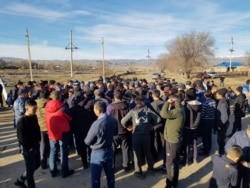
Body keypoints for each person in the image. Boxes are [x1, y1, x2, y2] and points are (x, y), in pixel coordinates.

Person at [121, 96, 161, 178]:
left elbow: (123, 121)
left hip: (136, 136)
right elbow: (158, 119)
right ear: (142, 102)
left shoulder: (132, 111)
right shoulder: (148, 110)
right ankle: (151, 168)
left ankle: (138, 171)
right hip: (146, 135)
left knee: (137, 154)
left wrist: (128, 126)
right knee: (148, 152)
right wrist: (152, 125)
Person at [85, 101, 118, 188]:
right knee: (110, 175)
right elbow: (115, 133)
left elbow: (87, 141)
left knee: (95, 178)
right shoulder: (113, 120)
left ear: (98, 111)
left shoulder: (96, 124)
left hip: (97, 152)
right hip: (109, 149)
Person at [45, 90, 74, 178]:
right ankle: (64, 171)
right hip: (63, 131)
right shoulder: (63, 107)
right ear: (59, 97)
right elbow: (69, 118)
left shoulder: (47, 106)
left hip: (51, 131)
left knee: (53, 151)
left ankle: (53, 171)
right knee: (63, 151)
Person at [160, 95, 185, 188]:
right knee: (175, 161)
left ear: (174, 102)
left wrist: (166, 103)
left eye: (171, 102)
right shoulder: (180, 109)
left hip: (172, 141)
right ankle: (174, 182)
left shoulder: (177, 111)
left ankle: (170, 184)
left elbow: (163, 114)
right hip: (174, 139)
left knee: (170, 163)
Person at [15, 99, 41, 188]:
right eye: (33, 109)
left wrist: (39, 139)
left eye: (36, 108)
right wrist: (28, 148)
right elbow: (20, 138)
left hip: (36, 145)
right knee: (30, 171)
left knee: (37, 164)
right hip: (28, 149)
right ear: (26, 108)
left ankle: (21, 179)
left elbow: (37, 128)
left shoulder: (34, 117)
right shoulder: (21, 121)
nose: (35, 111)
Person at [106, 90, 132, 172]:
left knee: (112, 150)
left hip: (114, 131)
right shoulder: (127, 105)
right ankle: (126, 165)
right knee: (125, 148)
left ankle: (112, 167)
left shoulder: (110, 107)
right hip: (125, 130)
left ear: (114, 97)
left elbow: (107, 118)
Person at [36, 91, 49, 169]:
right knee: (50, 145)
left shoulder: (35, 103)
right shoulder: (49, 103)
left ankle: (42, 162)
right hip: (47, 126)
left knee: (42, 145)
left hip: (39, 127)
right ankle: (52, 160)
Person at [200, 90, 216, 156]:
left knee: (204, 136)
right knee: (209, 135)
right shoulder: (213, 101)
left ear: (205, 95)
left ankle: (206, 151)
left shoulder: (205, 103)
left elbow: (203, 113)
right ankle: (208, 148)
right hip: (211, 119)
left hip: (205, 120)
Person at [215, 88, 229, 156]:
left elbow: (224, 117)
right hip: (223, 125)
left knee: (221, 140)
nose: (216, 95)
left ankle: (221, 154)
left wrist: (220, 125)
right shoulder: (222, 101)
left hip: (222, 126)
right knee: (221, 140)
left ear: (220, 95)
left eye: (217, 94)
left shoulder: (222, 103)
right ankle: (222, 152)